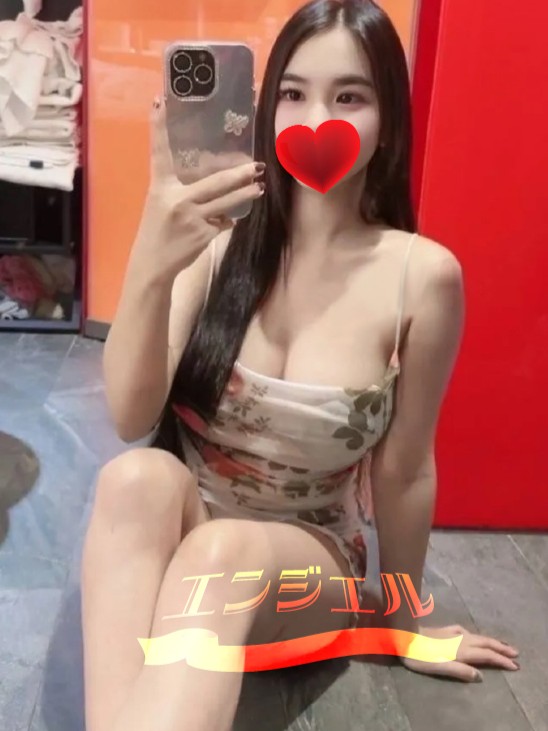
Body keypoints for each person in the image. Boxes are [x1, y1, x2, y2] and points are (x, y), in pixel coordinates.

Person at [80, 1, 520, 730]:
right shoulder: (215, 240)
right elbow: (131, 418)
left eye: (349, 96)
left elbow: (406, 469)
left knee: (221, 554)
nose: (318, 119)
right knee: (134, 478)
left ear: (389, 122)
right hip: (188, 525)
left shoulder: (420, 276)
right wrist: (153, 262)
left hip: (308, 567)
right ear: (265, 109)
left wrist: (404, 623)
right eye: (293, 93)